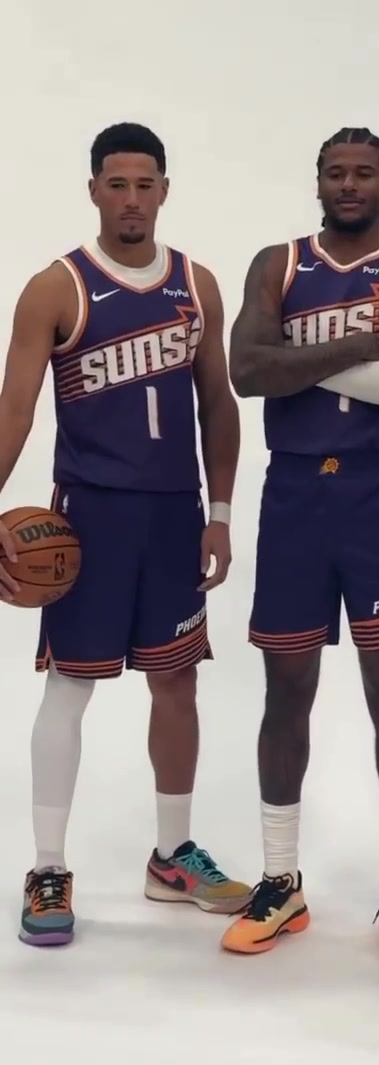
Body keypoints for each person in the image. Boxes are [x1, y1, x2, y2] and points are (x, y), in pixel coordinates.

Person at [0, 122, 251, 946]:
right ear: (94, 191)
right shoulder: (56, 287)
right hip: (90, 517)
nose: (132, 199)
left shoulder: (196, 284)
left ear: (165, 191)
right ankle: (47, 867)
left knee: (176, 683)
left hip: (175, 513)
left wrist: (220, 514)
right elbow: (14, 410)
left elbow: (218, 404)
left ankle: (172, 856)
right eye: (117, 184)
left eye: (146, 185)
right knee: (70, 686)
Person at [222, 126, 379, 963]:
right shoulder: (278, 263)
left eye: (364, 173)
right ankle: (280, 882)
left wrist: (295, 358)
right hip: (293, 495)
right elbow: (245, 371)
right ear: (317, 182)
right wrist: (359, 345)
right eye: (335, 172)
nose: (349, 184)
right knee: (286, 691)